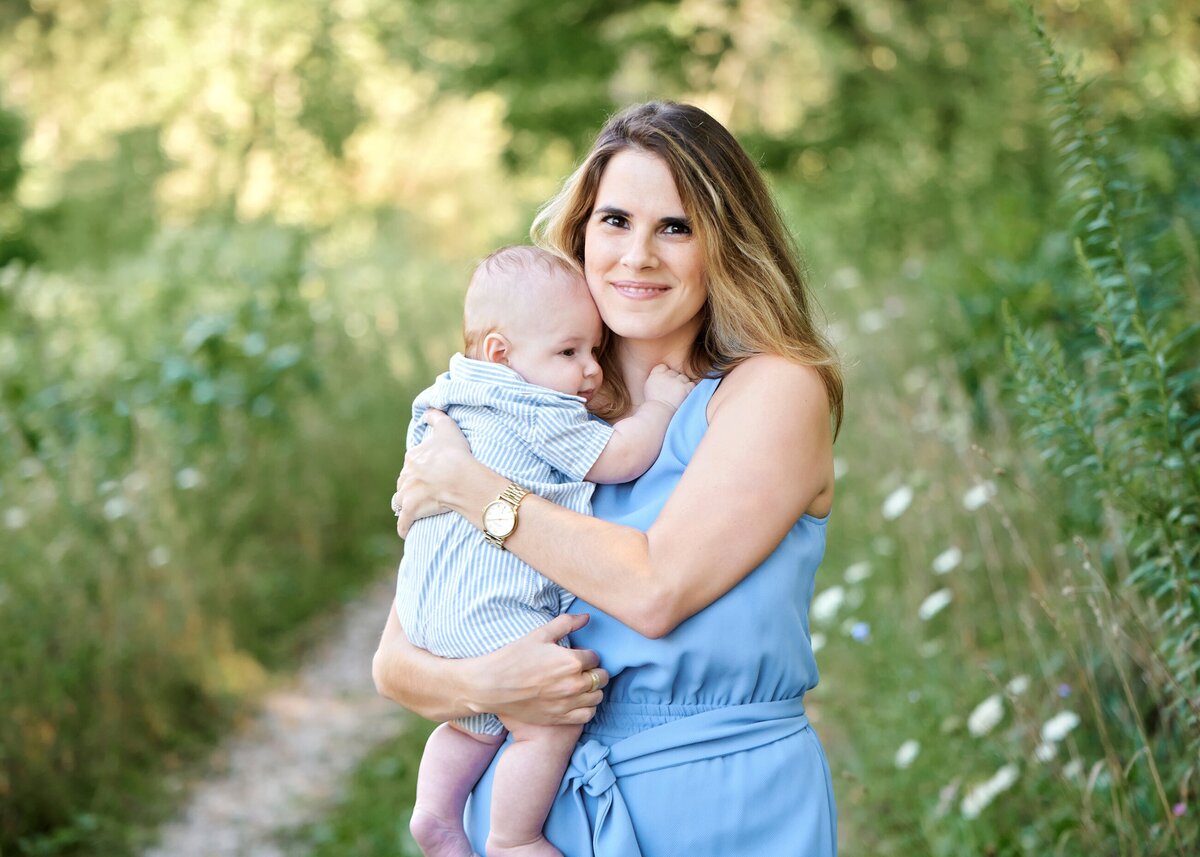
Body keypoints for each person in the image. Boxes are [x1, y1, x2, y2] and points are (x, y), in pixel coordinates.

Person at [376, 100, 844, 856]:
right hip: (539, 816)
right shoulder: (522, 411)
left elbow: (654, 590)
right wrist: (497, 686)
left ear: (724, 244)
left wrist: (469, 487)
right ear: (583, 232)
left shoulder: (771, 393)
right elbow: (396, 663)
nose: (637, 257)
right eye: (616, 221)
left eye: (676, 227)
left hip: (717, 808)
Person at [396, 245, 695, 857]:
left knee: (473, 722)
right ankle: (513, 837)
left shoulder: (443, 398)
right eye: (569, 353)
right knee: (546, 723)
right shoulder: (529, 402)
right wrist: (662, 407)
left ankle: (434, 811)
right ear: (500, 353)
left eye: (592, 351)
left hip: (428, 603)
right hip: (493, 605)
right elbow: (616, 457)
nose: (589, 370)